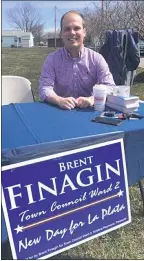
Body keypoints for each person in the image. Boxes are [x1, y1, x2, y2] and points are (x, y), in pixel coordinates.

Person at [39, 10, 115, 110]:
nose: (72, 33)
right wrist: (58, 100)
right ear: (61, 34)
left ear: (84, 32)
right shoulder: (51, 60)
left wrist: (92, 99)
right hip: (59, 111)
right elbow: (44, 88)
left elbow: (110, 86)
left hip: (89, 113)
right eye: (67, 29)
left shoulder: (97, 59)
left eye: (77, 28)